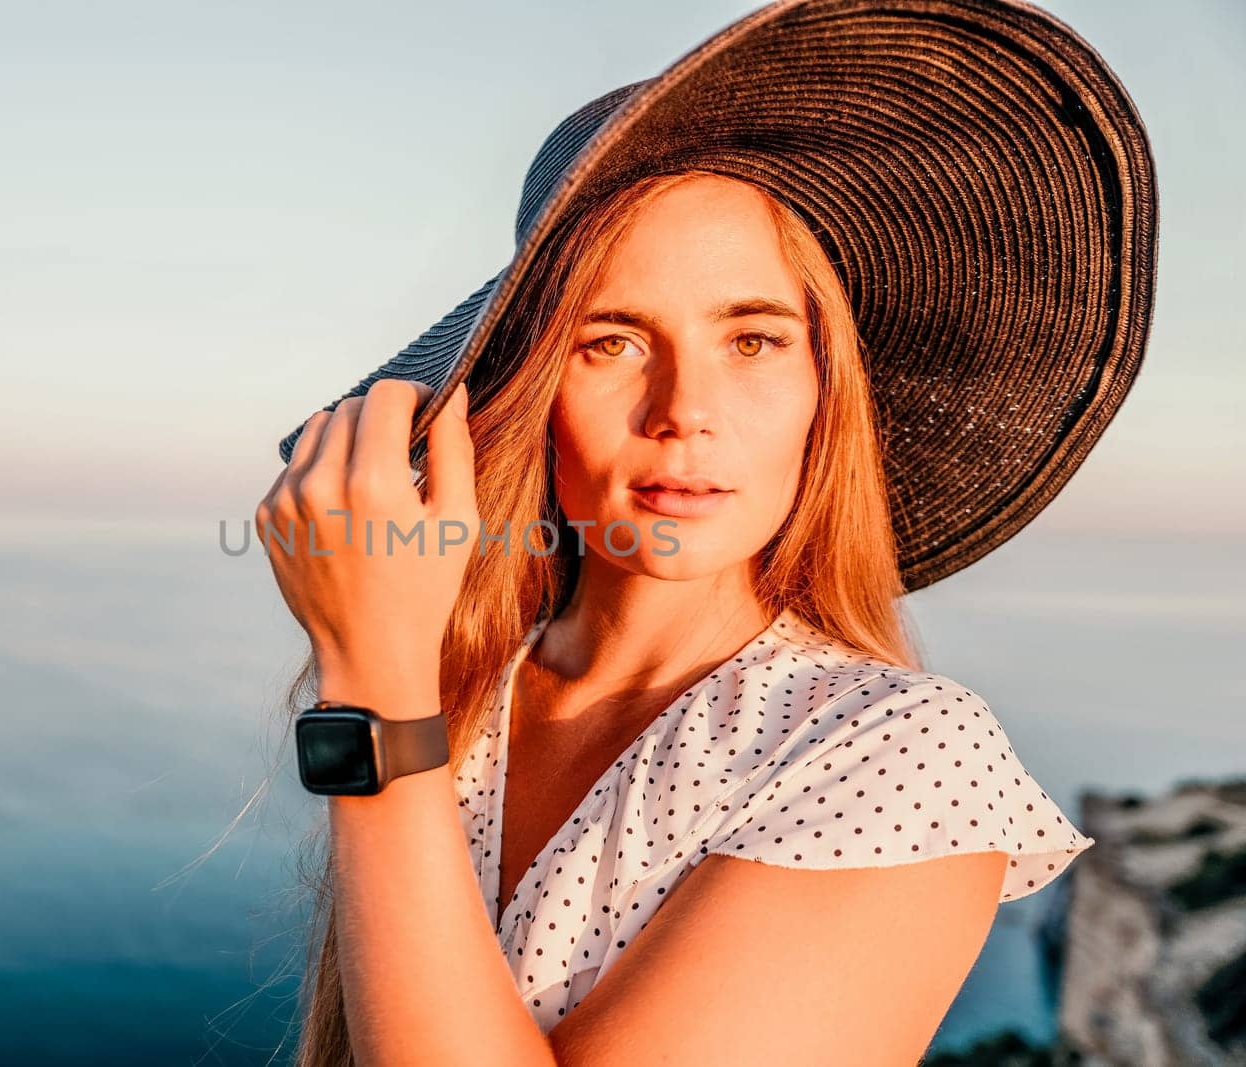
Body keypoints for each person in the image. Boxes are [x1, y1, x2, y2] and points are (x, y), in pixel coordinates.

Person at [256, 2, 1155, 1063]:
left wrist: (372, 689)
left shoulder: (894, 751)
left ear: (828, 391)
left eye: (754, 337)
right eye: (611, 341)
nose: (685, 407)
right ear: (530, 393)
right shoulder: (464, 688)